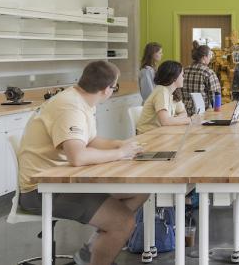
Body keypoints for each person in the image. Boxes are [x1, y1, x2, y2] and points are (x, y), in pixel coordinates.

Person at [17, 61, 147, 265]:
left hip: (65, 180)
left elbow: (90, 141)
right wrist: (120, 153)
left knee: (139, 189)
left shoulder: (81, 100)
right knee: (123, 222)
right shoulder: (70, 107)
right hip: (42, 189)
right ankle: (99, 251)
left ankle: (92, 250)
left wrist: (120, 144)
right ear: (106, 90)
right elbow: (77, 157)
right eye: (115, 87)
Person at [136, 60, 191, 134]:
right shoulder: (161, 91)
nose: (183, 78)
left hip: (161, 132)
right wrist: (189, 120)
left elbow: (183, 112)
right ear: (174, 77)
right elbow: (165, 121)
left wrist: (173, 120)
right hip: (147, 135)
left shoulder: (174, 92)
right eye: (182, 75)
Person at [180, 45, 222, 116]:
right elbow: (215, 95)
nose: (210, 58)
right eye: (210, 55)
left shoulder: (185, 70)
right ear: (204, 57)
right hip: (203, 113)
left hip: (184, 112)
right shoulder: (208, 72)